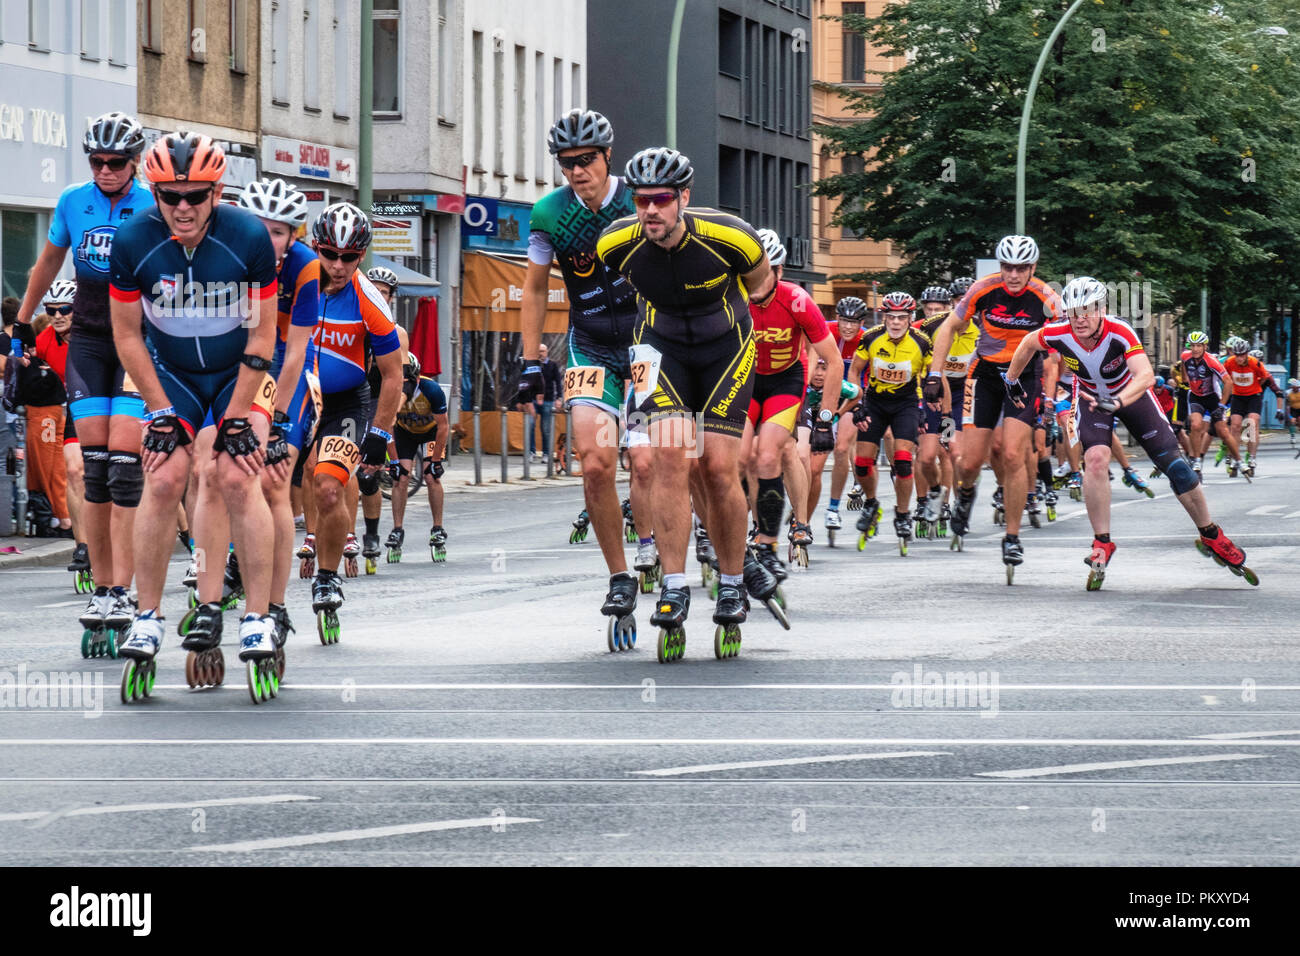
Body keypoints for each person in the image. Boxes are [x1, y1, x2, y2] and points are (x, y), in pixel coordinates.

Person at [108, 131, 281, 696]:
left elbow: (263, 333)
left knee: (236, 473)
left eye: (197, 195)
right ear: (153, 192)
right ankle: (147, 615)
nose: (183, 208)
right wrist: (159, 410)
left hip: (241, 374)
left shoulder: (248, 238)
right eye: (169, 196)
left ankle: (256, 617)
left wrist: (236, 417)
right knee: (161, 479)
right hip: (174, 376)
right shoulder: (133, 241)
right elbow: (128, 337)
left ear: (217, 190)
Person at [596, 146, 782, 655]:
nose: (650, 210)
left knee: (720, 468)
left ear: (684, 198)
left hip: (726, 348)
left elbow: (762, 289)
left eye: (661, 199)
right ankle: (675, 589)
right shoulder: (615, 243)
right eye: (640, 200)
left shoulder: (731, 235)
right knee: (669, 459)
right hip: (661, 350)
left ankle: (731, 581)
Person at [1006, 277, 1256, 588]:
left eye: (1087, 311)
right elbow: (1029, 342)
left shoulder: (1119, 331)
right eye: (1072, 312)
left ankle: (1211, 534)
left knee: (1176, 468)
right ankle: (1102, 542)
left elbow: (1146, 375)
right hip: (1090, 399)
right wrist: (1011, 379)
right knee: (1095, 459)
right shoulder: (1060, 332)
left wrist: (1120, 400)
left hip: (1130, 396)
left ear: (1103, 309)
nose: (1079, 319)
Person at [517, 108, 654, 643]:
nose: (577, 171)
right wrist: (531, 359)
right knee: (595, 465)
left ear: (608, 157)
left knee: (649, 461)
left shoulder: (640, 200)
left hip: (651, 345)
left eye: (586, 161)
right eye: (566, 163)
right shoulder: (548, 214)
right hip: (590, 346)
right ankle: (620, 577)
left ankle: (663, 548)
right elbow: (532, 288)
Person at [15, 112, 152, 639]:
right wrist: (21, 324)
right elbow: (48, 263)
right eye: (97, 161)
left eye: (116, 162)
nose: (106, 170)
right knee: (93, 469)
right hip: (91, 339)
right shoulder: (75, 200)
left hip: (140, 341)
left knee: (124, 467)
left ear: (134, 162)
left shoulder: (155, 204)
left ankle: (126, 589)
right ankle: (103, 587)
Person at [926, 234, 1063, 578]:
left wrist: (1054, 397)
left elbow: (1060, 350)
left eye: (1021, 268)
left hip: (1023, 376)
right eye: (1007, 267)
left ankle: (1012, 537)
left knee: (1014, 455)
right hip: (983, 373)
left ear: (1033, 268)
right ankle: (967, 493)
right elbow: (948, 328)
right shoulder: (982, 289)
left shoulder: (1047, 298)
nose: (1013, 275)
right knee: (969, 461)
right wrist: (933, 373)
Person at [304, 202, 403, 640]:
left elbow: (394, 373)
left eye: (350, 257)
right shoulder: (294, 281)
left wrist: (379, 436)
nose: (339, 265)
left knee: (328, 487)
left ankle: (327, 576)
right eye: (329, 254)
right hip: (297, 396)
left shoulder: (369, 298)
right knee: (262, 481)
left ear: (362, 254)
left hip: (346, 401)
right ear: (315, 247)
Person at [234, 178, 319, 646]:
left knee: (273, 478)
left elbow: (296, 354)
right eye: (259, 229)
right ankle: (234, 554)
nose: (269, 240)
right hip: (242, 358)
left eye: (279, 232)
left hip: (286, 364)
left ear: (294, 236)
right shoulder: (227, 255)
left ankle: (277, 603)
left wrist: (277, 419)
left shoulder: (305, 268)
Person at [745, 228, 842, 574]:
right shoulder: (733, 296)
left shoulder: (798, 300)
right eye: (748, 270)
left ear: (779, 272)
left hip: (786, 380)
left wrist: (826, 414)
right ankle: (761, 526)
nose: (753, 281)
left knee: (776, 451)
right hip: (746, 380)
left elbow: (835, 360)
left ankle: (799, 522)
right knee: (745, 455)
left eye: (762, 272)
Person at [846, 291, 933, 554]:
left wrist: (923, 410)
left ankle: (903, 514)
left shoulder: (922, 342)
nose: (895, 322)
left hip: (906, 403)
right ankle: (872, 503)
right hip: (875, 402)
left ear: (910, 318)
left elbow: (929, 378)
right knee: (862, 464)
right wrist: (857, 402)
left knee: (904, 460)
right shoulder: (870, 337)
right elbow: (855, 370)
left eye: (901, 317)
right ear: (884, 317)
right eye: (891, 317)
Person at [386, 353, 450, 561]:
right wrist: (394, 461)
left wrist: (437, 460)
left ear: (415, 378)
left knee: (432, 476)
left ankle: (437, 527)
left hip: (431, 432)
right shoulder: (391, 391)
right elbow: (387, 426)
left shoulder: (431, 389)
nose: (403, 385)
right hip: (405, 433)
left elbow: (443, 426)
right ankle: (397, 529)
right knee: (400, 477)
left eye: (407, 381)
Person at [819, 296, 869, 537]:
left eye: (854, 322)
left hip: (853, 395)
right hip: (824, 391)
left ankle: (833, 508)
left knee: (841, 448)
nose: (848, 327)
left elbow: (862, 385)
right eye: (844, 321)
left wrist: (843, 411)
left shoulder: (866, 338)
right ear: (836, 318)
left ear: (862, 322)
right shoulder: (825, 330)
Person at [1180, 331, 1243, 476]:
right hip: (1196, 396)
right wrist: (1184, 382)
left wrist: (1221, 405)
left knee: (1222, 431)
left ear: (1205, 346)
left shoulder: (1211, 362)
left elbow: (1228, 382)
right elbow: (1184, 366)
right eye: (1193, 346)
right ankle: (1196, 461)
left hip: (1212, 397)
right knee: (1195, 426)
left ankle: (1239, 461)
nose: (1195, 349)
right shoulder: (1185, 356)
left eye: (1199, 346)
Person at [1222, 339, 1283, 477]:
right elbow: (1224, 376)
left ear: (1246, 354)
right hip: (1237, 396)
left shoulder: (1255, 363)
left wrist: (1255, 386)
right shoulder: (1229, 362)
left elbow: (1264, 378)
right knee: (1235, 426)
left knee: (1252, 424)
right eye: (1236, 355)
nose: (1239, 358)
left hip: (1253, 396)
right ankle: (1234, 459)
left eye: (1242, 355)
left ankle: (1252, 458)